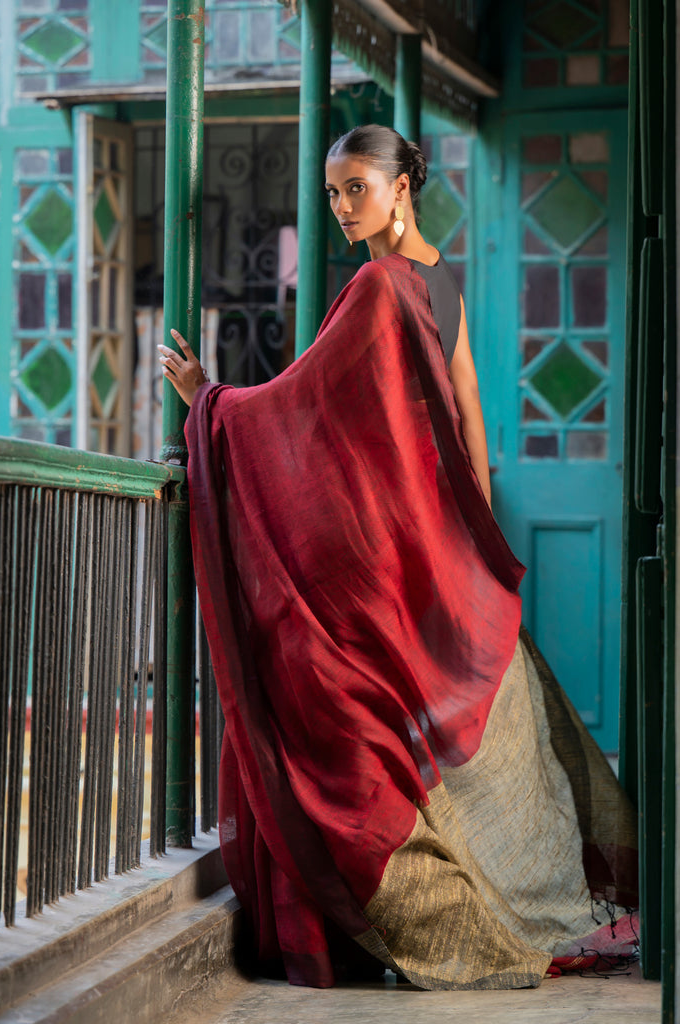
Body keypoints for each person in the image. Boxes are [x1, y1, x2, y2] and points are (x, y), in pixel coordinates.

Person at [158, 125, 638, 991]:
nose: (341, 208)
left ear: (399, 187)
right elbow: (466, 421)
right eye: (332, 193)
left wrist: (210, 402)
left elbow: (300, 406)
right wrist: (474, 542)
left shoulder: (382, 286)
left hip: (382, 559)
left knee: (343, 731)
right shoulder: (436, 278)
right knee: (415, 744)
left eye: (354, 189)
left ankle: (418, 919)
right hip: (419, 552)